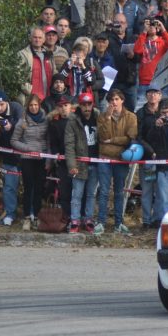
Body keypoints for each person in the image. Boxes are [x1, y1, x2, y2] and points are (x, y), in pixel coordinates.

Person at [95, 89, 137, 235]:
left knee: (119, 192)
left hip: (121, 158)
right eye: (111, 99)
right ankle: (101, 222)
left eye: (117, 99)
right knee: (104, 191)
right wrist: (107, 118)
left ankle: (119, 223)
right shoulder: (102, 117)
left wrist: (112, 140)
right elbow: (102, 136)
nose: (114, 102)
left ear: (122, 100)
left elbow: (129, 137)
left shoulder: (131, 117)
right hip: (105, 157)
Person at [10, 94, 49, 231]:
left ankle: (37, 216)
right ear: (28, 106)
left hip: (41, 159)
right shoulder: (22, 121)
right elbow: (13, 141)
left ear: (39, 105)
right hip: (27, 159)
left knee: (39, 189)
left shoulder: (46, 120)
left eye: (36, 105)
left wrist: (48, 158)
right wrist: (27, 149)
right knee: (28, 188)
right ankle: (27, 217)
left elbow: (49, 140)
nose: (33, 107)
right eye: (31, 105)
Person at [65, 92, 99, 234]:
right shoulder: (72, 121)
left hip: (95, 163)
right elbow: (69, 144)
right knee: (77, 194)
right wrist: (72, 165)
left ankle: (88, 219)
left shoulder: (99, 117)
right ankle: (75, 220)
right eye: (84, 104)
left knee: (91, 194)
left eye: (89, 104)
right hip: (79, 163)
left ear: (93, 104)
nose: (86, 107)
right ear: (79, 105)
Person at [0, 89, 23, 226]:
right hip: (8, 155)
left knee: (31, 185)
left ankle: (31, 213)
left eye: (2, 105)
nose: (0, 108)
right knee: (9, 186)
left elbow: (23, 124)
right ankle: (10, 213)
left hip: (25, 152)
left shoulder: (16, 108)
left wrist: (11, 126)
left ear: (7, 103)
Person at [135, 87, 163, 231]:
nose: (153, 95)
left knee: (160, 191)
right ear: (146, 96)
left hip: (163, 160)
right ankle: (146, 220)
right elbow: (138, 137)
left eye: (156, 93)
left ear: (160, 95)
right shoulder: (140, 114)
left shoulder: (165, 111)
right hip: (148, 159)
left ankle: (157, 219)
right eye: (150, 93)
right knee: (147, 190)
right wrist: (151, 151)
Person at [133, 17, 168, 108]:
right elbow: (137, 50)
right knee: (141, 107)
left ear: (157, 28)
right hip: (145, 80)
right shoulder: (142, 39)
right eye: (149, 25)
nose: (151, 27)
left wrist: (163, 29)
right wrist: (144, 31)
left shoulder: (162, 41)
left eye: (153, 25)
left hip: (161, 80)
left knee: (163, 108)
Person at [47, 97, 73, 220]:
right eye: (61, 106)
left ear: (71, 106)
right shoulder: (54, 123)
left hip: (78, 161)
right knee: (65, 191)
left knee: (78, 191)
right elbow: (53, 142)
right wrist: (56, 153)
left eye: (66, 105)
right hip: (63, 162)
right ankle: (66, 216)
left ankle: (79, 218)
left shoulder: (77, 120)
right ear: (57, 108)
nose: (63, 109)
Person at [107, 13, 139, 111]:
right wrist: (107, 29)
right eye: (117, 23)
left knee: (131, 109)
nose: (120, 25)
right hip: (114, 81)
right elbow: (99, 43)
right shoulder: (107, 38)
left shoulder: (133, 38)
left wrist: (133, 56)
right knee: (114, 109)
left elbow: (140, 58)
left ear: (126, 24)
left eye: (122, 22)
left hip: (130, 81)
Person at [17, 26, 54, 104]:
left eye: (40, 38)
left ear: (44, 40)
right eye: (35, 37)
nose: (37, 40)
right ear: (30, 38)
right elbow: (18, 75)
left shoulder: (49, 54)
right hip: (30, 99)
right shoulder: (23, 54)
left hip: (48, 97)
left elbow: (54, 72)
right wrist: (28, 90)